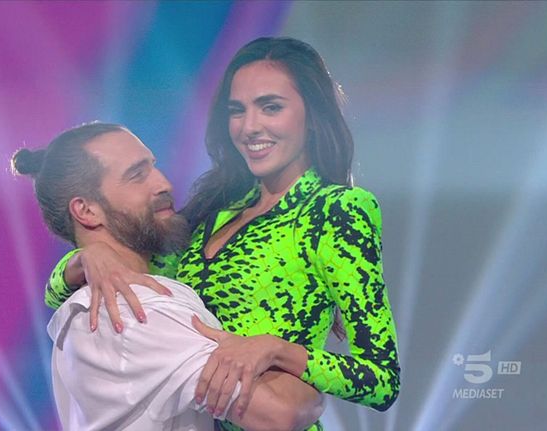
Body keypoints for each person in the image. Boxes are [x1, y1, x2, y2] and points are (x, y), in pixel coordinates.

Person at [47, 37, 400, 431]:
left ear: (312, 115)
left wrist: (277, 351)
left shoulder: (336, 210)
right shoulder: (210, 211)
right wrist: (85, 259)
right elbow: (92, 290)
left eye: (271, 107)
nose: (250, 127)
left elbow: (382, 379)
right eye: (237, 110)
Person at [13, 122, 324, 431]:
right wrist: (278, 351)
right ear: (86, 211)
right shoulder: (133, 313)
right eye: (137, 175)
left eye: (154, 166)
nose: (164, 184)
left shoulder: (101, 306)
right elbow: (283, 412)